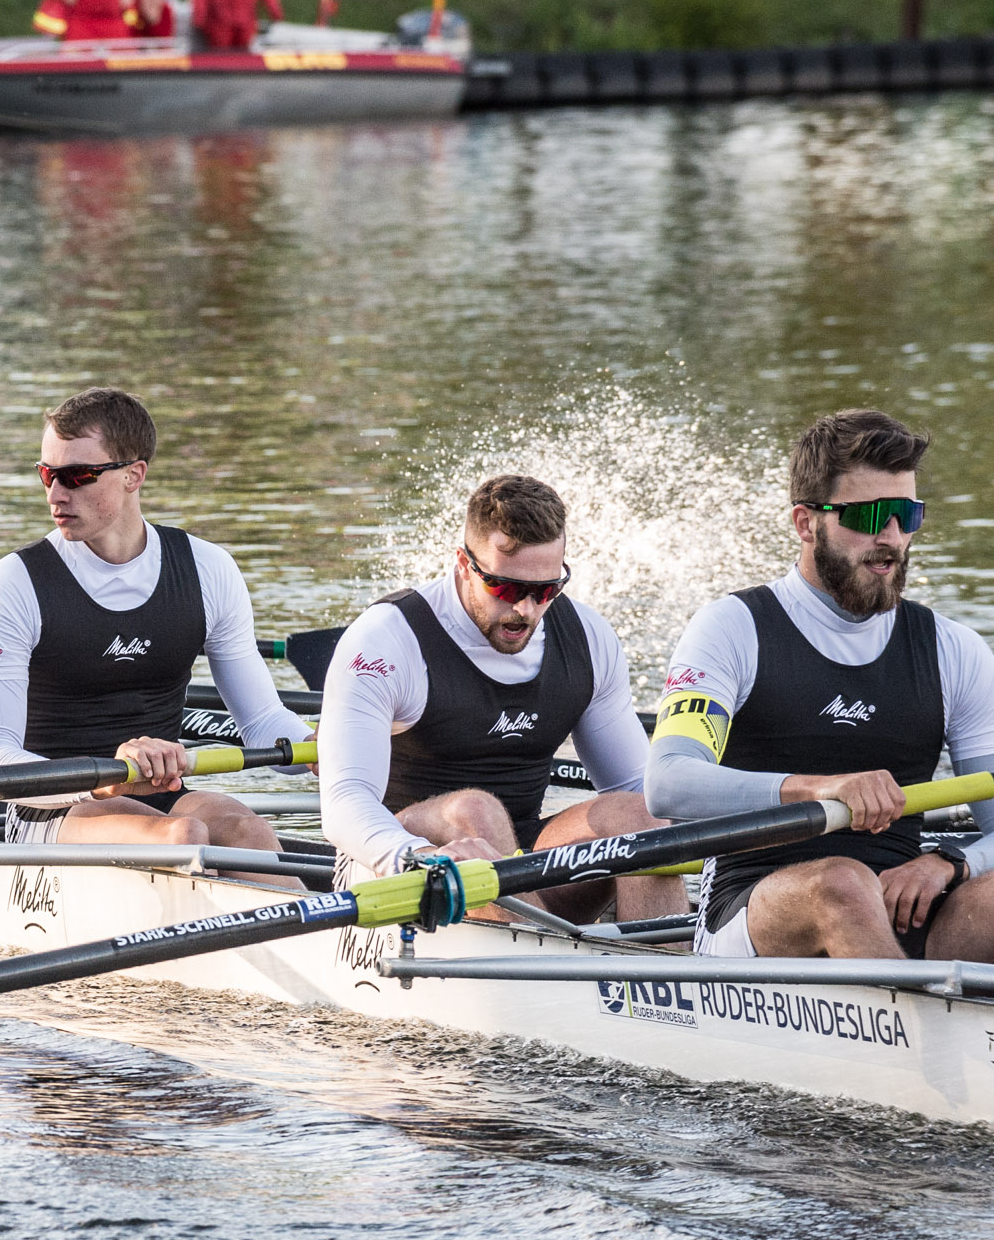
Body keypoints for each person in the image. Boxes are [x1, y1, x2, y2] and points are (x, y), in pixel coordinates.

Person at [650, 410, 994, 960]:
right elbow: (668, 783)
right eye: (869, 516)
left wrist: (953, 862)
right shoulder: (733, 627)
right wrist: (819, 787)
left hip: (902, 899)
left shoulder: (954, 649)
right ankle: (917, 1032)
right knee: (843, 884)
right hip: (754, 905)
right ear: (806, 523)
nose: (891, 538)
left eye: (907, 515)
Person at [0, 388, 307, 874]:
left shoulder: (208, 569)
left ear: (134, 474)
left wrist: (324, 745)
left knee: (250, 833)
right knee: (182, 837)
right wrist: (101, 782)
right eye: (46, 474)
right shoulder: (14, 583)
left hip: (166, 798)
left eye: (77, 475)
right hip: (51, 810)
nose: (56, 493)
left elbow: (264, 725)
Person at [319, 475, 680, 924]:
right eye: (507, 589)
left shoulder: (588, 638)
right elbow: (343, 804)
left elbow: (637, 789)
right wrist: (421, 858)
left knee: (638, 815)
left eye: (546, 590)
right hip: (402, 862)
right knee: (476, 810)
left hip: (522, 862)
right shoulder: (386, 640)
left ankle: (668, 978)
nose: (526, 610)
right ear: (464, 564)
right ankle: (543, 968)